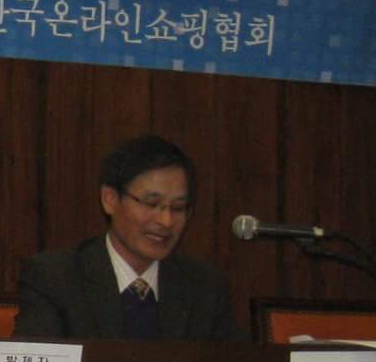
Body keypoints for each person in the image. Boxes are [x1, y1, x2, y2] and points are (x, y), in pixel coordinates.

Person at [13, 133, 243, 341]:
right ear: (110, 200)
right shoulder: (55, 279)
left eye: (178, 208)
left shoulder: (205, 287)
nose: (166, 221)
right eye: (151, 204)